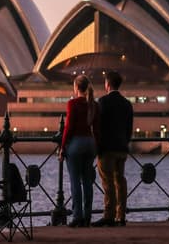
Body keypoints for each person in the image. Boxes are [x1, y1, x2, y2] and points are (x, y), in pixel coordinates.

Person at [91, 70, 134, 227]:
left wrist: (98, 146)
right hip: (122, 148)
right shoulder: (127, 104)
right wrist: (125, 142)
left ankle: (108, 215)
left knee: (107, 182)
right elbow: (129, 128)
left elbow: (98, 126)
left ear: (107, 84)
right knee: (120, 181)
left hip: (107, 149)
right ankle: (120, 215)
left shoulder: (103, 102)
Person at [58, 74, 100, 228]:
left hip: (76, 143)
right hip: (90, 143)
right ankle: (88, 216)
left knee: (75, 181)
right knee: (88, 181)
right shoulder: (93, 104)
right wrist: (97, 147)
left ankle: (77, 217)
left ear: (76, 88)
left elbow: (68, 128)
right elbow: (97, 129)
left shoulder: (73, 104)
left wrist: (62, 147)